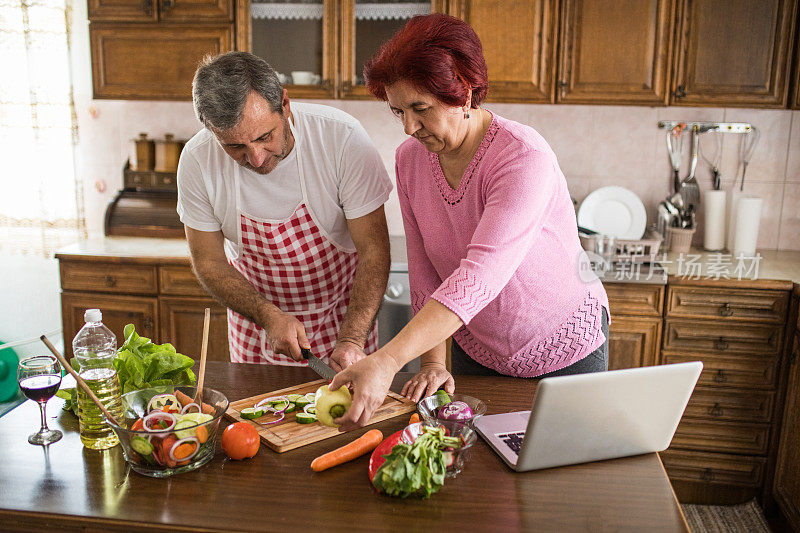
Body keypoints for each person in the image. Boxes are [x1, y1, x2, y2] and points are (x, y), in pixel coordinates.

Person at [329, 14, 610, 430]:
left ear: (464, 92)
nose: (409, 127)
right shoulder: (410, 161)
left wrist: (387, 360)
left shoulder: (522, 157)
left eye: (420, 108)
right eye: (398, 112)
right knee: (476, 472)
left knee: (555, 483)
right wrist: (432, 363)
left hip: (562, 351)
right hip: (475, 349)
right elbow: (425, 267)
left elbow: (478, 276)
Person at [177, 52, 392, 370]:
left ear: (285, 104)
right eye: (235, 147)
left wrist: (350, 342)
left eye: (265, 137)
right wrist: (268, 316)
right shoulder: (197, 160)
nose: (256, 158)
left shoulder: (340, 138)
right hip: (257, 327)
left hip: (345, 320)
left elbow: (374, 250)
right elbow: (208, 261)